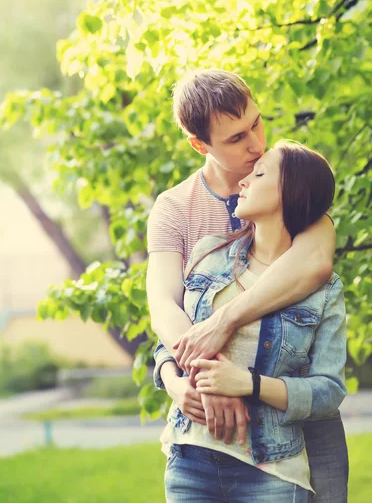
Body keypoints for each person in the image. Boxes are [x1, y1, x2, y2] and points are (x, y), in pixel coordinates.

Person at [146, 69, 348, 501]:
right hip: (201, 437)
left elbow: (314, 264)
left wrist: (223, 326)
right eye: (236, 138)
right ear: (200, 145)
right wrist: (201, 380)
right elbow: (165, 308)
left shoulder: (290, 179)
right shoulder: (175, 209)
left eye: (256, 122)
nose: (256, 144)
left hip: (297, 433)